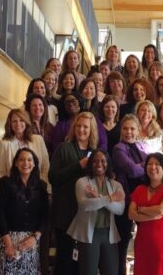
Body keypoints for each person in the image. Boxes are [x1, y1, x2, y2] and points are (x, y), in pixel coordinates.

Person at [49, 112, 99, 275]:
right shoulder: (64, 148)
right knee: (64, 258)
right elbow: (53, 177)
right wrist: (78, 165)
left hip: (86, 215)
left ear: (91, 130)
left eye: (85, 127)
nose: (81, 129)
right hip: (65, 214)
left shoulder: (94, 152)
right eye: (78, 126)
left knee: (82, 261)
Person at [0, 148, 49, 275]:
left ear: (34, 164)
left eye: (29, 160)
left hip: (30, 243)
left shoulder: (41, 186)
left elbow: (45, 215)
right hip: (6, 241)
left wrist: (35, 237)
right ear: (16, 163)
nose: (25, 163)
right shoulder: (6, 183)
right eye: (21, 159)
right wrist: (8, 244)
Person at [67, 149, 125, 275]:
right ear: (90, 164)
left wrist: (98, 198)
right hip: (88, 236)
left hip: (109, 234)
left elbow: (119, 210)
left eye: (103, 161)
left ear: (108, 163)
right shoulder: (82, 182)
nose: (99, 164)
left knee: (111, 272)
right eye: (95, 161)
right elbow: (85, 205)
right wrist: (110, 198)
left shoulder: (116, 185)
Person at [129, 153, 163, 275]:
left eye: (157, 164)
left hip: (162, 241)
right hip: (142, 239)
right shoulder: (140, 189)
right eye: (149, 164)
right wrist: (150, 213)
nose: (152, 167)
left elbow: (160, 210)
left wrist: (140, 209)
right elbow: (131, 214)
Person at [112, 114, 148, 275]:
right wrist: (143, 165)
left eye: (132, 128)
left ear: (138, 130)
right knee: (123, 242)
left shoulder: (142, 146)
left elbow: (149, 168)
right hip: (125, 200)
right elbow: (132, 170)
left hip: (142, 200)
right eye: (125, 128)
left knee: (146, 239)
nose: (129, 132)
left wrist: (140, 165)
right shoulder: (118, 148)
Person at [0, 109, 49, 187]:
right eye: (14, 121)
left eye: (21, 120)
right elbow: (1, 171)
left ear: (26, 122)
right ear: (9, 124)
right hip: (14, 192)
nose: (18, 124)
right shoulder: (4, 144)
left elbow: (45, 166)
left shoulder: (38, 140)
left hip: (37, 189)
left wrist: (43, 186)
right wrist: (8, 188)